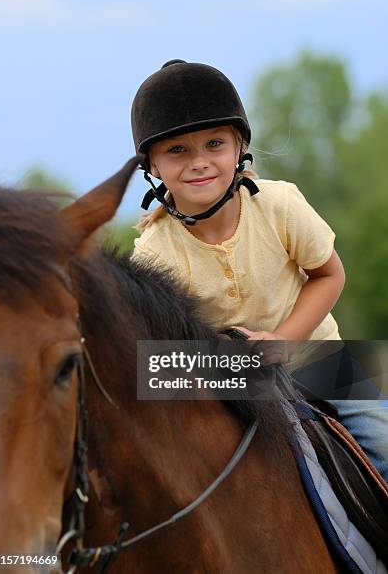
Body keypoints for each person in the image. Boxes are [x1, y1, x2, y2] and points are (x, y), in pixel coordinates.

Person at [130, 58, 388, 483]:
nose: (199, 162)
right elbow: (159, 361)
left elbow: (329, 276)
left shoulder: (279, 204)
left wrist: (283, 342)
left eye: (214, 144)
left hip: (321, 357)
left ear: (239, 148)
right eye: (177, 150)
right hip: (233, 382)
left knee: (383, 444)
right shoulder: (153, 254)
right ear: (153, 166)